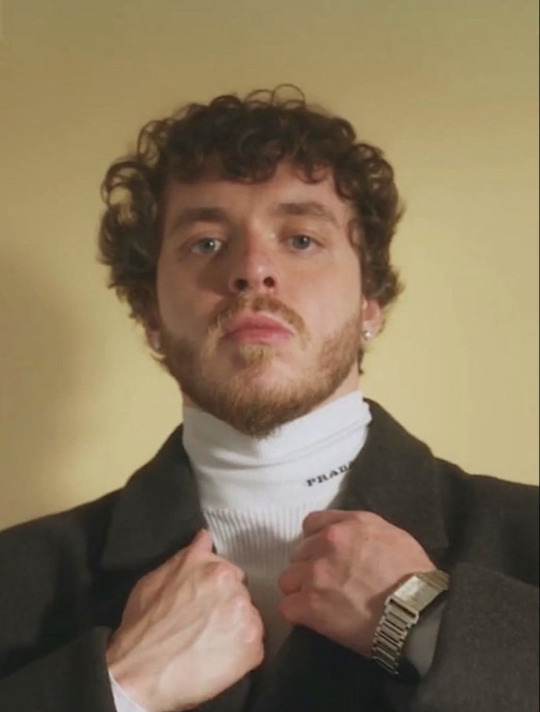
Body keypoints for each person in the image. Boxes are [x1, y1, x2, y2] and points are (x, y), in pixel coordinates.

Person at [0, 87, 537, 712]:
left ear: (370, 302)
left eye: (301, 239)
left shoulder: (526, 536)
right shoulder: (15, 577)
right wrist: (120, 688)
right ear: (150, 315)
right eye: (206, 242)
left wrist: (427, 621)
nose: (253, 269)